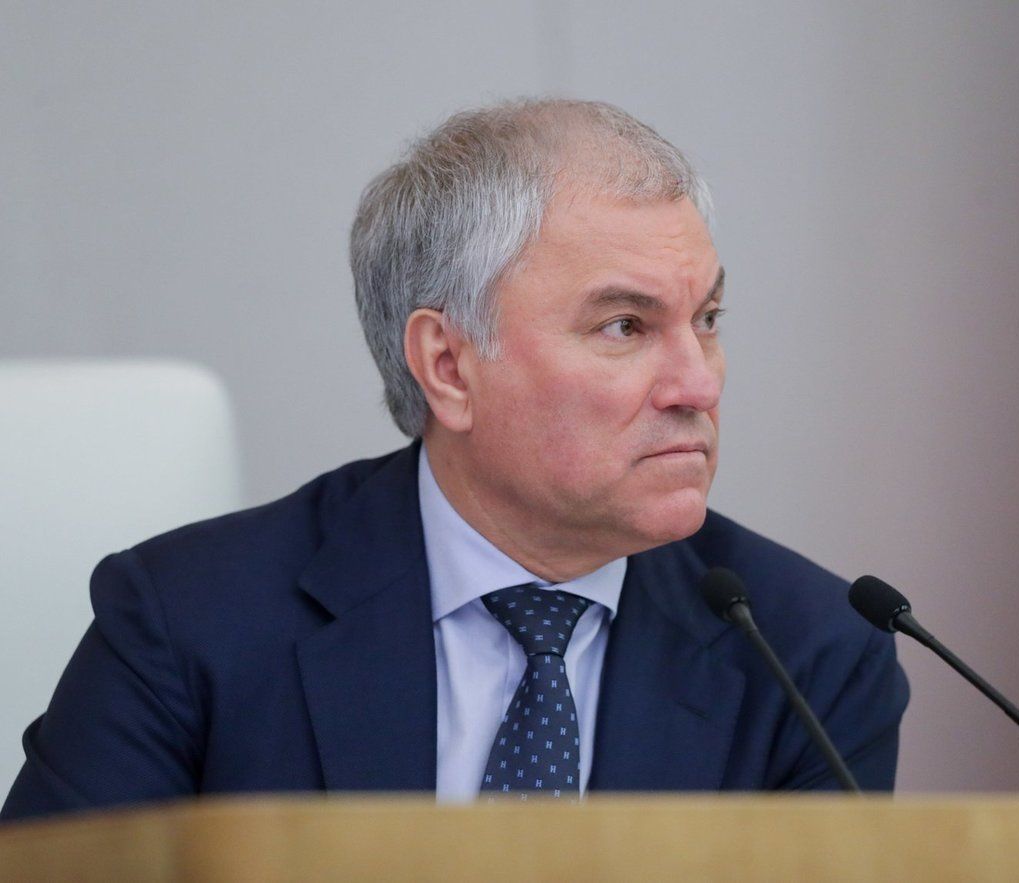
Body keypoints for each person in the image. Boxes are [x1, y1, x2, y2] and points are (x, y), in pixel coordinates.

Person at [2, 98, 908, 821]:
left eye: (706, 319)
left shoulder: (809, 654)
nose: (697, 383)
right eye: (625, 326)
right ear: (447, 365)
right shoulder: (187, 621)